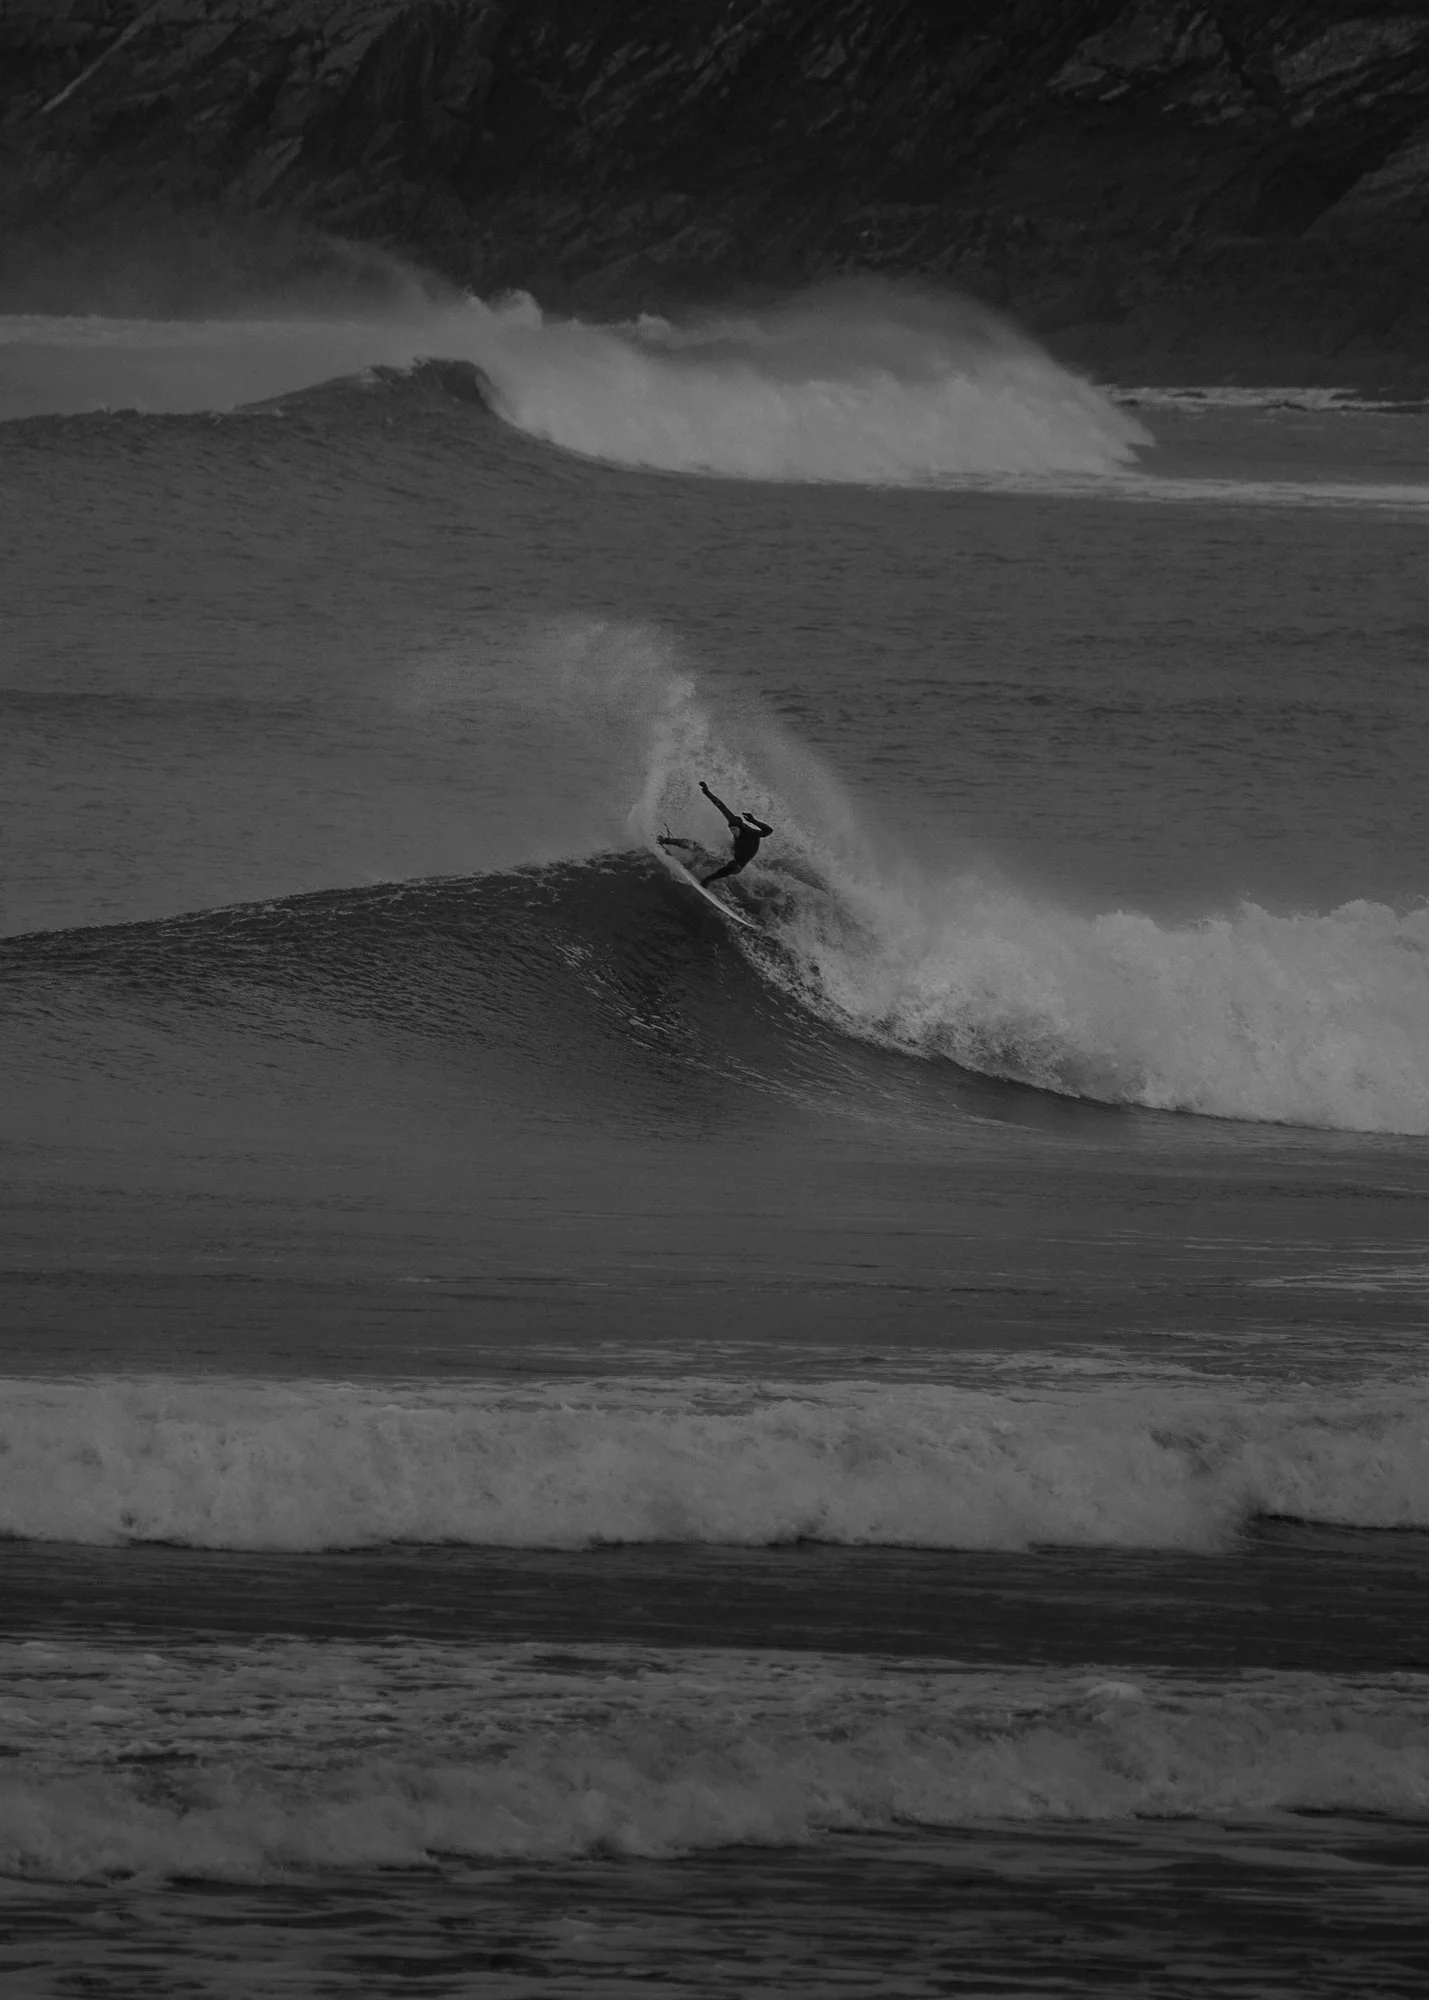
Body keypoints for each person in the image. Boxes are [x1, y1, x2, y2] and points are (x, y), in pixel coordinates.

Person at [660, 780, 774, 884]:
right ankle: (666, 840)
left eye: (735, 830)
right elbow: (721, 806)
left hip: (738, 865)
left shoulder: (751, 833)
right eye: (731, 830)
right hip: (730, 853)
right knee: (700, 847)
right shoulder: (733, 821)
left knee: (731, 865)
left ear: (740, 828)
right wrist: (707, 792)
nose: (733, 832)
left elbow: (768, 831)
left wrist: (754, 821)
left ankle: (709, 879)